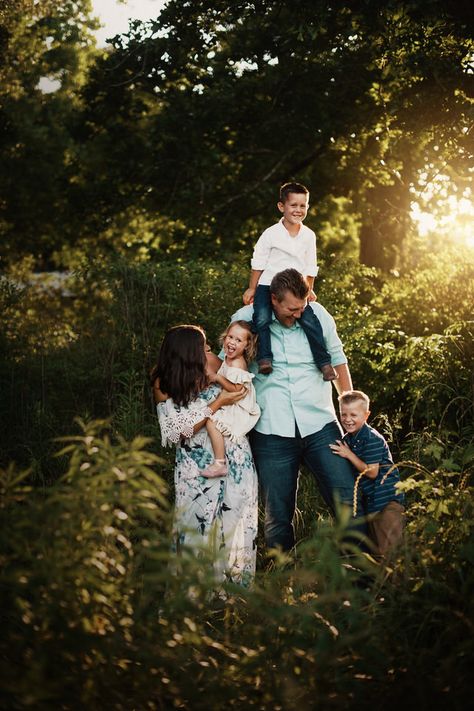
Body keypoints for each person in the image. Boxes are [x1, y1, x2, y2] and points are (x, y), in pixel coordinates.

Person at [230, 268, 364, 553]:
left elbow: (338, 359)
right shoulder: (248, 318)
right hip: (271, 428)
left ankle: (359, 571)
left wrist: (350, 406)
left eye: (301, 307)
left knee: (346, 498)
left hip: (320, 422)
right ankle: (283, 579)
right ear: (274, 300)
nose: (298, 314)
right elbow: (225, 362)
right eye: (291, 309)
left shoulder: (317, 315)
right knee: (277, 514)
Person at [151, 324, 258, 586]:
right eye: (203, 345)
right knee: (194, 527)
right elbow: (176, 433)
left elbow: (240, 387)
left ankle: (233, 599)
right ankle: (193, 601)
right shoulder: (162, 382)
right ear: (187, 352)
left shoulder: (211, 362)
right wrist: (217, 403)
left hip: (234, 456)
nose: (209, 349)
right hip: (195, 466)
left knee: (233, 525)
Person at [242, 181, 337, 381]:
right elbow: (258, 261)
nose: (298, 210)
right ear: (281, 207)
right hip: (268, 283)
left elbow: (311, 265)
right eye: (293, 205)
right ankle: (265, 358)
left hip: (295, 287)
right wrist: (252, 288)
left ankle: (324, 362)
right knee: (261, 318)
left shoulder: (309, 236)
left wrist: (308, 289)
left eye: (303, 206)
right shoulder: (270, 234)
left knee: (311, 321)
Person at [329, 390, 405, 558]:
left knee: (391, 551)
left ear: (366, 415)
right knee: (376, 550)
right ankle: (379, 584)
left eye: (353, 415)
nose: (347, 419)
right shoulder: (349, 439)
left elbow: (372, 472)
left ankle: (399, 583)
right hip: (372, 503)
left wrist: (348, 454)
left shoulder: (371, 438)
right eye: (343, 414)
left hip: (387, 503)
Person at [203, 320, 261, 478]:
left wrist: (217, 378)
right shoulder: (228, 360)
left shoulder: (237, 363)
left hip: (239, 407)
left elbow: (236, 389)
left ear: (246, 346)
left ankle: (219, 463)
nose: (232, 342)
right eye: (230, 337)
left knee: (211, 422)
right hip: (231, 402)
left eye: (238, 340)